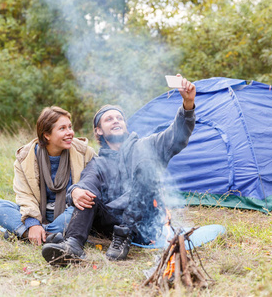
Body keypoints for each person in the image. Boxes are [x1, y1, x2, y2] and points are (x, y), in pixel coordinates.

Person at [42, 75, 196, 264]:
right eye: (108, 119)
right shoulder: (98, 163)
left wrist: (187, 104)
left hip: (143, 225)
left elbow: (177, 135)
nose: (116, 121)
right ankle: (72, 245)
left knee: (146, 168)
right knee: (87, 194)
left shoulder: (147, 146)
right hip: (111, 227)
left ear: (125, 125)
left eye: (119, 118)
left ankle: (124, 234)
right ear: (98, 131)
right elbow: (87, 182)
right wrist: (75, 191)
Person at [0, 106, 95, 246]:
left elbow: (95, 180)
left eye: (70, 127)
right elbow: (24, 195)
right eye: (62, 128)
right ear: (47, 135)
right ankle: (49, 236)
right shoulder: (25, 157)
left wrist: (78, 192)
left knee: (82, 209)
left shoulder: (84, 152)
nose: (70, 132)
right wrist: (33, 223)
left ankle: (26, 234)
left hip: (68, 211)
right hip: (38, 212)